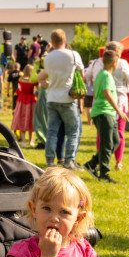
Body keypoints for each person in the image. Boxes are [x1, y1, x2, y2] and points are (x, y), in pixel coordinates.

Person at [85, 51, 129, 183]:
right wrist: (119, 111)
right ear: (115, 63)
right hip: (104, 113)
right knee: (106, 144)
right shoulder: (106, 76)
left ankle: (92, 164)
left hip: (107, 113)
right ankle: (104, 174)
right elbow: (107, 93)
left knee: (115, 141)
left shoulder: (101, 74)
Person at [43, 28, 84, 168]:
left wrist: (49, 84)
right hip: (67, 98)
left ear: (52, 42)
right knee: (73, 130)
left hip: (52, 97)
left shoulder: (47, 58)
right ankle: (69, 161)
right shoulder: (73, 55)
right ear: (65, 40)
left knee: (52, 131)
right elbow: (81, 75)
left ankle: (50, 161)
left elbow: (44, 76)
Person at [11, 64, 37, 146]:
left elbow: (19, 90)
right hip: (31, 100)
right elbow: (37, 90)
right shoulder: (33, 81)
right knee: (31, 119)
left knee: (22, 118)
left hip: (21, 100)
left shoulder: (20, 80)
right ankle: (30, 141)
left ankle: (23, 141)